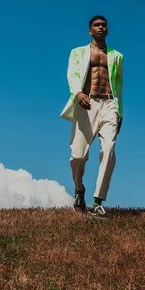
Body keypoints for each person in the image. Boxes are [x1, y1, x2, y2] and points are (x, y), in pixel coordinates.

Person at [60, 15, 123, 219]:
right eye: (97, 25)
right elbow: (73, 75)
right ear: (90, 30)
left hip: (109, 103)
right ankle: (79, 190)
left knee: (109, 149)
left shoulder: (117, 56)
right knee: (78, 155)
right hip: (86, 103)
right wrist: (78, 93)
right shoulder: (78, 52)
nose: (101, 27)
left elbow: (119, 85)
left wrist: (119, 112)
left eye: (104, 25)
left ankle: (97, 202)